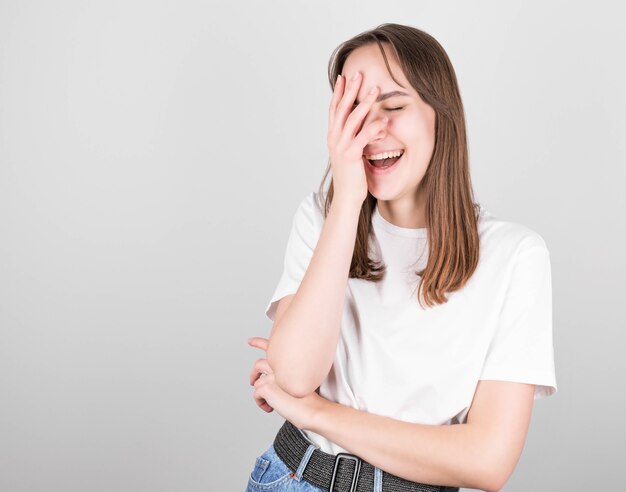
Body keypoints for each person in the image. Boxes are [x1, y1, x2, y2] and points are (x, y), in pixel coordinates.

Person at [245, 23, 557, 492]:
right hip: (291, 478)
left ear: (441, 115)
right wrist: (347, 201)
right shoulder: (322, 218)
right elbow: (292, 376)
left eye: (392, 106)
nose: (371, 129)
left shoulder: (515, 257)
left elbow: (487, 462)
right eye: (353, 110)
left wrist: (314, 412)